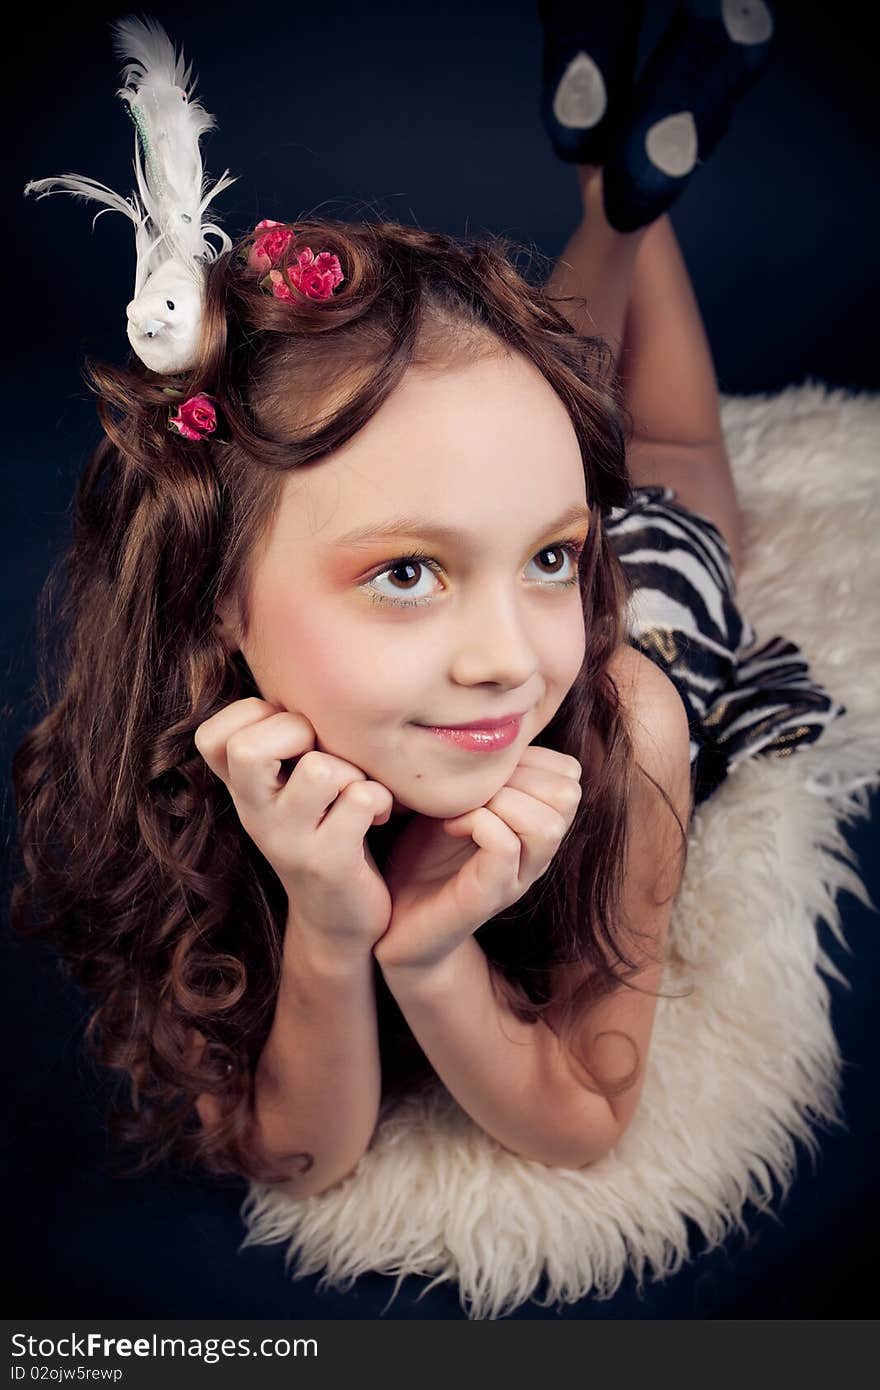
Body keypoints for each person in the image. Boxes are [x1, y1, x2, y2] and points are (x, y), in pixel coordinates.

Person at [10, 5, 844, 1205]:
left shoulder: (630, 731)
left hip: (656, 607)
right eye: (406, 572)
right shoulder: (164, 776)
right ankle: (623, 189)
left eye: (549, 558)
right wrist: (338, 925)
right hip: (572, 551)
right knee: (606, 421)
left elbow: (584, 1124)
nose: (509, 662)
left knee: (665, 456)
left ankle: (620, 201)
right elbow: (301, 1154)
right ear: (216, 603)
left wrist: (433, 954)